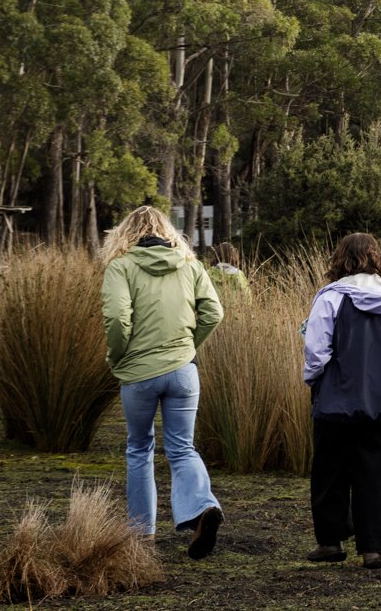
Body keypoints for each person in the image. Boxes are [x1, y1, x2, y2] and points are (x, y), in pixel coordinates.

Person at [100, 204, 225, 556]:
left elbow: (116, 319)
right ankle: (202, 509)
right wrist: (187, 346)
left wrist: (118, 355)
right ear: (168, 231)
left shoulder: (120, 268)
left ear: (125, 233)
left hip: (138, 373)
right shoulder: (190, 265)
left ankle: (142, 535)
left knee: (139, 448)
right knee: (182, 447)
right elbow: (214, 312)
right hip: (184, 370)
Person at [301, 232, 381, 570]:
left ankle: (331, 541)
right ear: (376, 259)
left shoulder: (330, 298)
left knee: (330, 468)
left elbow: (316, 349)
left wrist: (315, 379)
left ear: (341, 259)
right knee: (379, 469)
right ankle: (375, 548)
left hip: (336, 398)